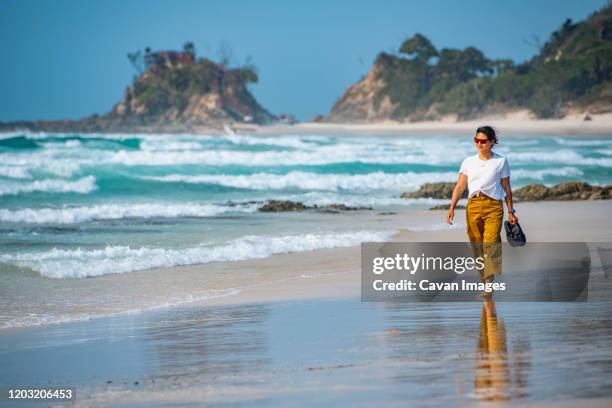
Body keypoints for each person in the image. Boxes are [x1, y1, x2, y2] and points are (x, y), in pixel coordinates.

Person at [446, 126, 517, 294]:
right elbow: (460, 186)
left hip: (494, 206)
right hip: (473, 206)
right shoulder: (468, 161)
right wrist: (452, 208)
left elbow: (506, 187)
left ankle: (488, 285)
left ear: (492, 142)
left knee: (490, 243)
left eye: (483, 141)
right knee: (477, 246)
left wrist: (511, 211)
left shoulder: (501, 161)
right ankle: (485, 280)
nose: (479, 143)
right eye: (476, 140)